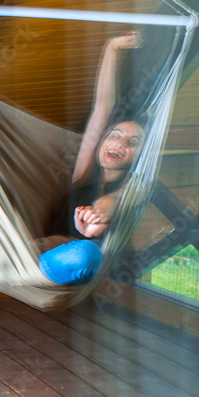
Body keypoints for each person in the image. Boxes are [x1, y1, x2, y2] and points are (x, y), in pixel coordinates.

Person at [37, 31, 145, 285]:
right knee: (69, 247)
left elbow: (116, 200)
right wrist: (111, 48)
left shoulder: (135, 187)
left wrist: (98, 216)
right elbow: (102, 109)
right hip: (45, 258)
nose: (120, 142)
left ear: (140, 156)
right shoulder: (84, 173)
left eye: (133, 142)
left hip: (79, 263)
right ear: (102, 141)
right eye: (115, 134)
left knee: (86, 252)